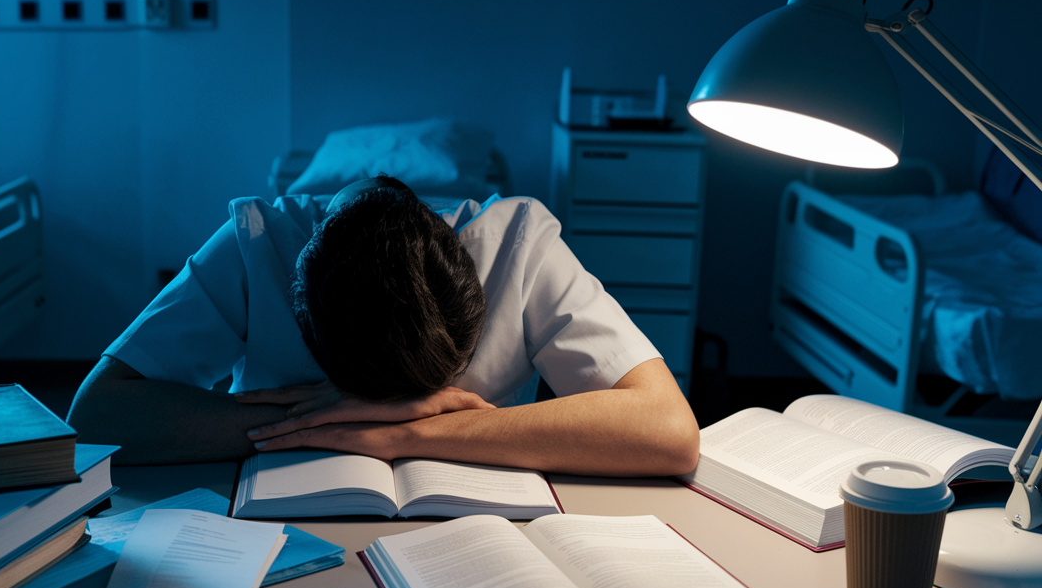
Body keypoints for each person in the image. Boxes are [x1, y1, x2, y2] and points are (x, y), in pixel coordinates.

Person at [67, 176, 698, 475]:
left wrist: (410, 435)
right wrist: (327, 426)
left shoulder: (519, 243)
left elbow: (668, 431)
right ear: (299, 299)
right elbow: (95, 415)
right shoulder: (254, 242)